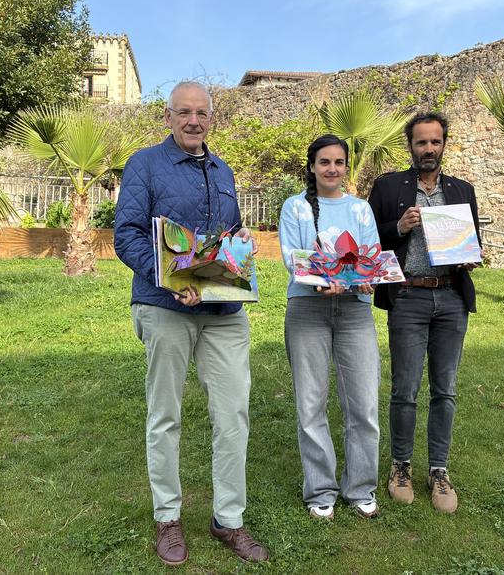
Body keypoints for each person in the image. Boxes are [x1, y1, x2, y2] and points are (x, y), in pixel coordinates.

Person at [115, 81, 269, 566]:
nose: (193, 121)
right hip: (166, 308)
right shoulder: (145, 164)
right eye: (184, 112)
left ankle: (229, 520)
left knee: (233, 416)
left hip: (223, 311)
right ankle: (168, 517)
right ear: (168, 116)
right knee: (166, 416)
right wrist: (168, 278)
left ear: (211, 117)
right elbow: (127, 235)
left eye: (201, 113)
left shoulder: (222, 169)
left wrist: (242, 241)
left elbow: (228, 236)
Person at [368, 111, 481, 514]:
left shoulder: (462, 190)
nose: (428, 149)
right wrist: (398, 227)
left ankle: (438, 470)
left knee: (445, 388)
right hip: (409, 296)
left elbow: (474, 242)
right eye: (421, 142)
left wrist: (470, 257)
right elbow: (368, 239)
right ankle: (400, 465)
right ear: (410, 146)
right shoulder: (387, 186)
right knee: (405, 388)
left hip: (451, 298)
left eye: (435, 142)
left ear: (444, 144)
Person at [278, 134, 381, 521]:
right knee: (310, 402)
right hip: (307, 309)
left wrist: (367, 278)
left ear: (346, 166)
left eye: (339, 162)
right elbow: (293, 257)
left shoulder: (360, 209)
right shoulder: (296, 207)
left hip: (355, 310)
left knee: (364, 403)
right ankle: (321, 489)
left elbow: (370, 256)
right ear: (312, 166)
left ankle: (360, 487)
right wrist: (321, 280)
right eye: (324, 162)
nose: (332, 169)